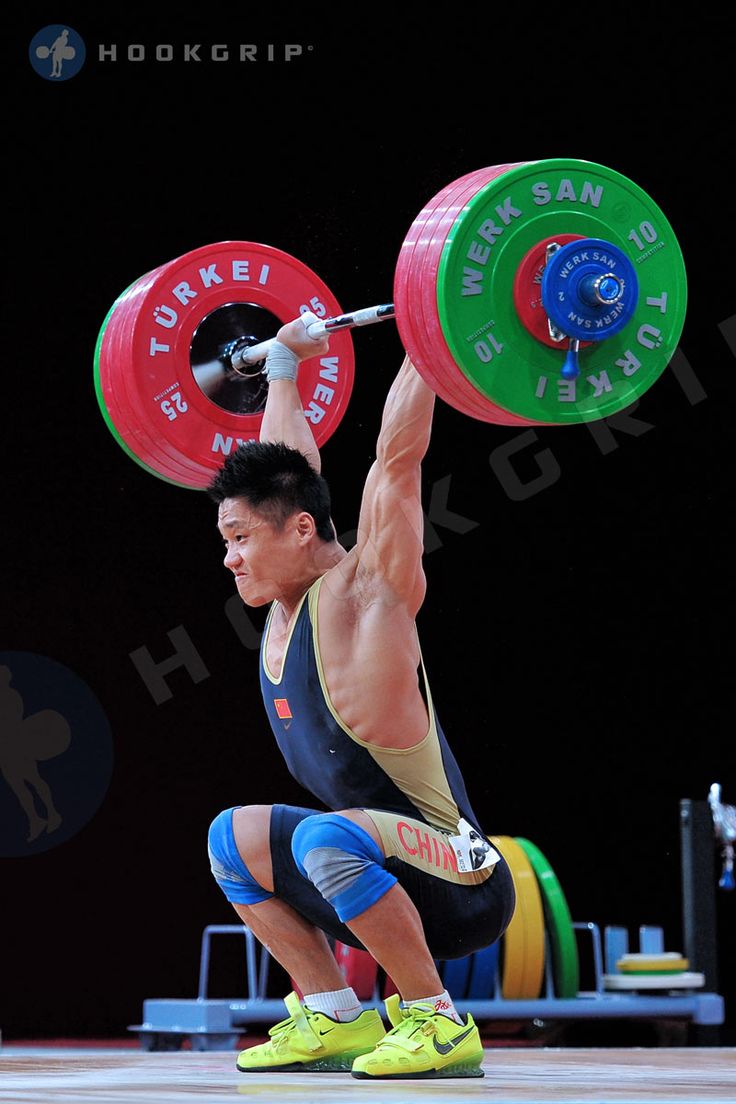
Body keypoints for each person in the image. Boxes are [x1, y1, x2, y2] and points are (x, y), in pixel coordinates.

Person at [206, 314, 515, 1079]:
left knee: (325, 837)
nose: (229, 557)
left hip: (464, 877)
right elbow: (286, 465)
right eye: (227, 540)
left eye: (241, 539)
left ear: (302, 531)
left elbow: (397, 460)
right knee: (233, 839)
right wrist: (282, 367)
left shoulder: (370, 598)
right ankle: (335, 1016)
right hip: (371, 865)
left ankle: (437, 1022)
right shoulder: (284, 610)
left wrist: (431, 345)